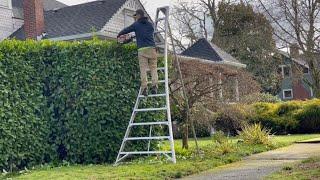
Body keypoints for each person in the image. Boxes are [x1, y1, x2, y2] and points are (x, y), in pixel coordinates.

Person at [117, 9, 158, 96]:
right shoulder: (151, 25)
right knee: (153, 68)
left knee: (143, 69)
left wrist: (119, 34)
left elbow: (127, 29)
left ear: (139, 15)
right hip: (152, 48)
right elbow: (145, 33)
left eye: (136, 16)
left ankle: (144, 88)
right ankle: (154, 86)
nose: (135, 17)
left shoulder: (136, 25)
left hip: (142, 49)